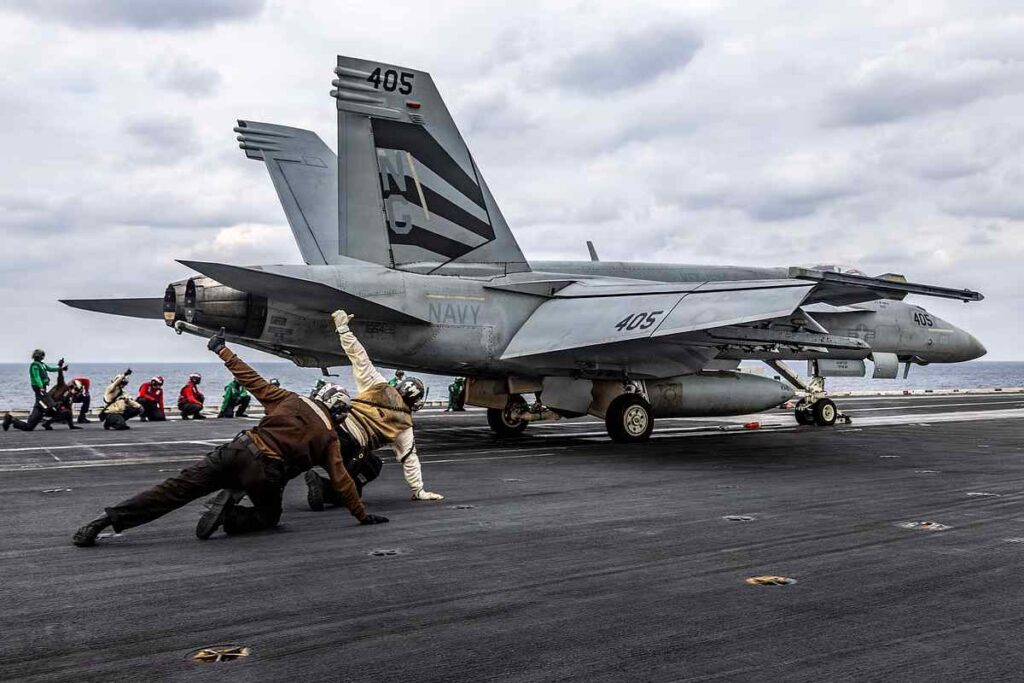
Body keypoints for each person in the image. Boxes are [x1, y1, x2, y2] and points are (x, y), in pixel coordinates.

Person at [71, 328, 389, 547]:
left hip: (236, 449)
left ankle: (100, 523)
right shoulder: (330, 437)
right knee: (269, 516)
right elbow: (343, 481)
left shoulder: (291, 399)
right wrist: (362, 515)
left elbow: (251, 379)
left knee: (172, 490)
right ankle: (231, 516)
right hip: (264, 472)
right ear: (338, 412)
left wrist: (222, 349)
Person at [304, 310, 444, 509]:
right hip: (350, 443)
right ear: (415, 402)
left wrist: (343, 329)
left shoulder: (378, 385)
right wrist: (419, 490)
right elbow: (409, 458)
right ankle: (328, 489)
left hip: (332, 425)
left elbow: (359, 356)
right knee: (372, 466)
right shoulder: (404, 425)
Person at [4, 366, 82, 432]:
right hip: (42, 405)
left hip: (49, 409)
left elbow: (68, 412)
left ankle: (47, 424)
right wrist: (60, 368)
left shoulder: (69, 397)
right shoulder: (62, 386)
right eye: (77, 390)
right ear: (73, 387)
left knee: (66, 412)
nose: (76, 392)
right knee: (29, 427)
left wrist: (71, 426)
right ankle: (10, 419)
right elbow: (60, 377)